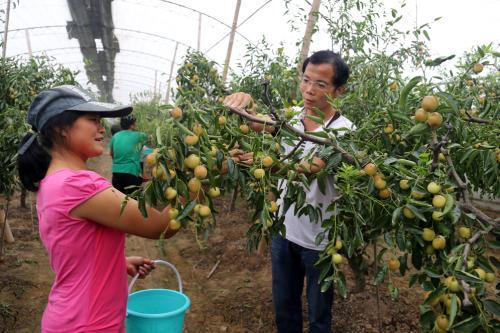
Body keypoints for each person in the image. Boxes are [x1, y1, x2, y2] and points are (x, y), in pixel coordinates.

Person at [17, 85, 177, 332]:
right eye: (92, 119)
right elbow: (161, 226)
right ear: (60, 128)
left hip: (77, 319)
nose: (102, 127)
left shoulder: (54, 181)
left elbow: (72, 247)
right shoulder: (77, 185)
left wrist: (116, 262)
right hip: (88, 324)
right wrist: (200, 179)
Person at [224, 50, 354, 333]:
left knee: (319, 318)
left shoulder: (344, 132)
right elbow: (253, 122)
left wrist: (266, 166)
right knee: (285, 310)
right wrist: (242, 102)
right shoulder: (289, 118)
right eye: (306, 80)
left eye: (320, 85)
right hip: (283, 233)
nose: (309, 90)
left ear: (338, 90)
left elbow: (313, 167)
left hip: (321, 242)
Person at [109, 115, 148, 194]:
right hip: (131, 172)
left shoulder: (115, 136)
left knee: (119, 199)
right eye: (135, 123)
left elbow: (111, 153)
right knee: (133, 200)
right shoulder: (139, 135)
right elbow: (149, 141)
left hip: (116, 173)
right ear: (132, 125)